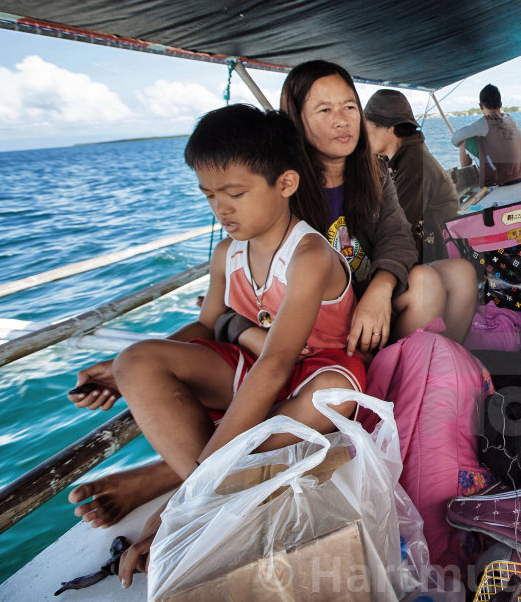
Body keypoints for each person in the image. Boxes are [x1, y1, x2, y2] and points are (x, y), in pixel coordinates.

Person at [66, 104, 366, 586]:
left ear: (285, 184)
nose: (220, 210)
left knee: (329, 397)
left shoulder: (309, 255)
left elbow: (276, 366)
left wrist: (187, 500)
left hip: (310, 372)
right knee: (136, 359)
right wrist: (123, 369)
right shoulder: (229, 252)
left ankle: (178, 488)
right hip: (249, 369)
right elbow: (204, 328)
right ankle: (199, 483)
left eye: (234, 193)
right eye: (208, 196)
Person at [280, 60, 447, 353]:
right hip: (315, 318)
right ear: (297, 119)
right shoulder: (281, 186)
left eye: (349, 106)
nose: (342, 120)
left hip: (366, 294)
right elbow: (253, 269)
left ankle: (425, 380)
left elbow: (397, 235)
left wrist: (381, 288)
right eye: (324, 110)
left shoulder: (374, 172)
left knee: (444, 278)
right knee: (431, 281)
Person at [363, 88, 477, 341]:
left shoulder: (412, 162)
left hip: (432, 249)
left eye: (367, 127)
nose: (363, 135)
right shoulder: (402, 158)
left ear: (389, 128)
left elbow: (399, 226)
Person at [449, 83, 521, 187]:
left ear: (481, 106)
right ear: (500, 104)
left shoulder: (484, 122)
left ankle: (466, 180)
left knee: (465, 141)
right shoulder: (510, 119)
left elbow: (455, 139)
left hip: (503, 178)